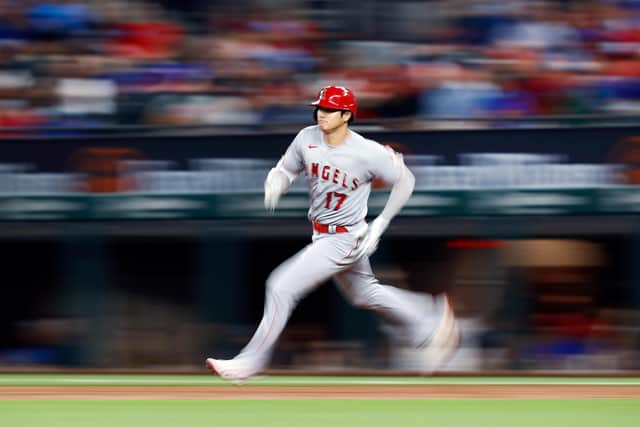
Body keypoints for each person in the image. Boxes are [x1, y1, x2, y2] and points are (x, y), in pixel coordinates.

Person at [205, 85, 459, 381]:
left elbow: (406, 180)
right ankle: (429, 320)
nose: (321, 114)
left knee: (280, 286)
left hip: (346, 238)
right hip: (323, 234)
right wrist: (277, 180)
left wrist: (382, 222)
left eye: (328, 109)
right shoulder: (306, 137)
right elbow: (286, 169)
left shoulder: (367, 151)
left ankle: (249, 363)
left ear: (346, 115)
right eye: (320, 108)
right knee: (364, 294)